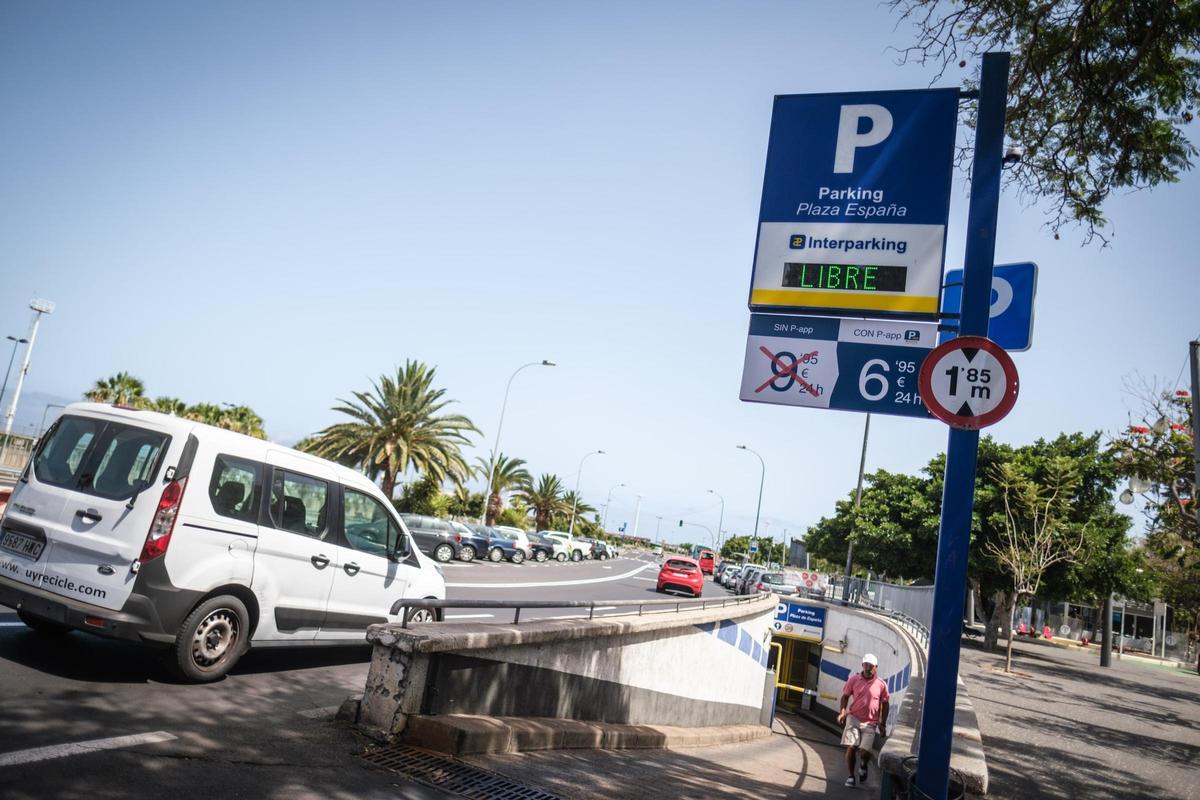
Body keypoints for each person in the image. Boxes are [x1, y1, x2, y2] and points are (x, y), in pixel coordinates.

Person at [837, 653, 890, 788]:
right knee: (851, 747)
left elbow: (885, 704)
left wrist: (882, 723)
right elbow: (845, 697)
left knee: (864, 751)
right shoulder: (854, 680)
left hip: (870, 722)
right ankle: (851, 776)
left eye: (870, 666)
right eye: (865, 665)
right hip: (853, 718)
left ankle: (863, 764)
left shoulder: (881, 685)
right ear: (862, 665)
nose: (867, 668)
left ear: (876, 667)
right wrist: (842, 712)